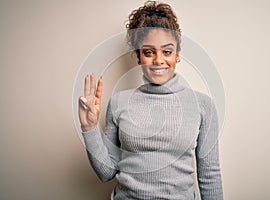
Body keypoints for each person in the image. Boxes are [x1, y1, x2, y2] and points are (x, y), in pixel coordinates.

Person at [78, 1, 223, 199]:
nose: (158, 60)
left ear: (177, 55)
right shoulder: (119, 103)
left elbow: (210, 176)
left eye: (167, 51)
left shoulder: (203, 106)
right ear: (138, 56)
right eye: (148, 52)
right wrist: (90, 128)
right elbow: (106, 173)